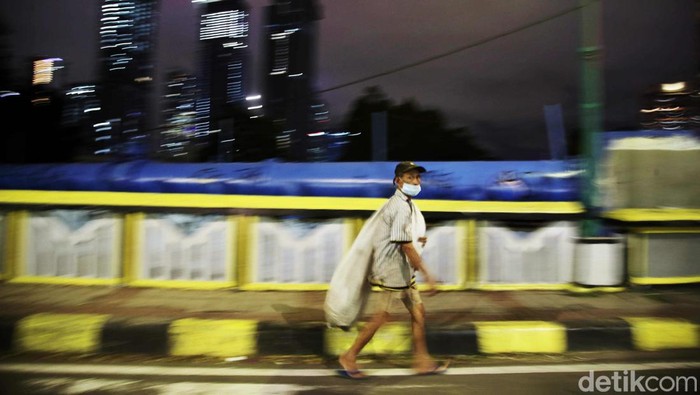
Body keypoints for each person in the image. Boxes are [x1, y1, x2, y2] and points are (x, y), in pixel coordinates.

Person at [337, 161, 448, 379]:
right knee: (381, 316)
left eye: (417, 178)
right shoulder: (398, 207)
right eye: (410, 178)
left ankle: (422, 361)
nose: (415, 182)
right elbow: (404, 244)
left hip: (402, 269)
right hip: (392, 271)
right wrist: (428, 274)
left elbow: (406, 239)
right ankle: (349, 356)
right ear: (398, 181)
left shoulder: (406, 204)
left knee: (418, 312)